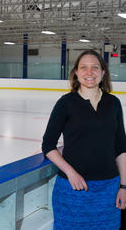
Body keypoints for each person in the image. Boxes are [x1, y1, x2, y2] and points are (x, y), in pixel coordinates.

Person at [42, 50, 126, 230]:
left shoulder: (114, 103)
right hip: (73, 190)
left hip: (109, 189)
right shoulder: (66, 103)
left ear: (103, 73)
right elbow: (48, 145)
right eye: (84, 68)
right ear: (77, 73)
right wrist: (71, 172)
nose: (90, 72)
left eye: (95, 67)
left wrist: (124, 187)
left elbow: (121, 148)